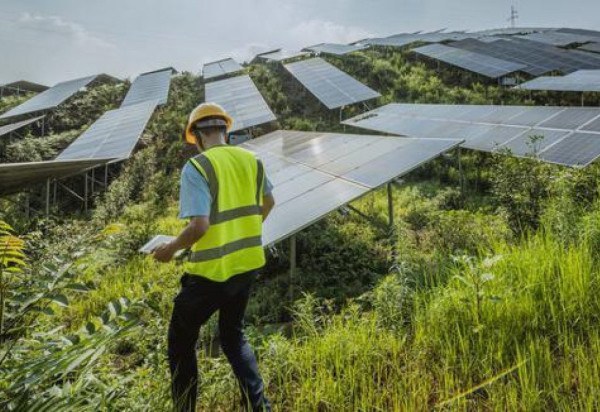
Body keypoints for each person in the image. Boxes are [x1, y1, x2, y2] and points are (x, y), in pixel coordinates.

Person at [153, 103, 275, 412]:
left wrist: (170, 249)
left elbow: (199, 225)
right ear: (225, 130)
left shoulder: (198, 167)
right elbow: (269, 202)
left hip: (209, 274)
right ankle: (260, 407)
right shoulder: (252, 160)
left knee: (181, 343)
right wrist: (242, 231)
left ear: (195, 135)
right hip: (246, 266)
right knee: (233, 336)